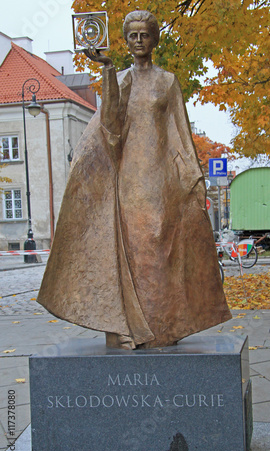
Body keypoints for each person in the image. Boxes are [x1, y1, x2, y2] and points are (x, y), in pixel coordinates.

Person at [38, 10, 231, 349]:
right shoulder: (121, 79)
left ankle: (162, 325)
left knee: (161, 248)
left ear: (154, 39)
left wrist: (193, 179)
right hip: (127, 179)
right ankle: (129, 327)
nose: (139, 41)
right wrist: (108, 69)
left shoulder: (167, 81)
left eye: (144, 35)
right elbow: (110, 127)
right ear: (126, 41)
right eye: (132, 36)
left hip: (160, 180)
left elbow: (181, 134)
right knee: (132, 247)